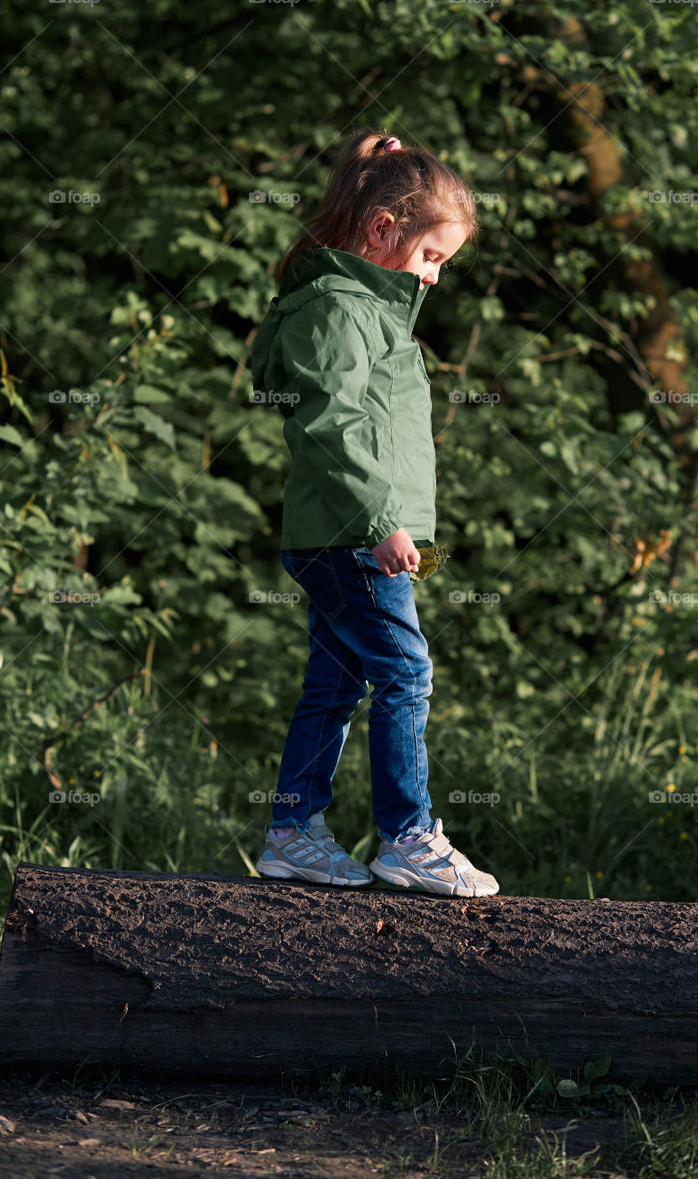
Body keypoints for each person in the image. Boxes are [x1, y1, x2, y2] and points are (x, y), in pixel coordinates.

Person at [249, 128, 498, 897]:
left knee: (336, 683)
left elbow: (366, 402)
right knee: (405, 672)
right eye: (430, 257)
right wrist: (381, 521)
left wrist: (362, 173)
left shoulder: (362, 305)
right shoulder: (335, 309)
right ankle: (407, 836)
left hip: (347, 531)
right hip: (352, 535)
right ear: (382, 231)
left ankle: (292, 832)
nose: (432, 279)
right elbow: (332, 424)